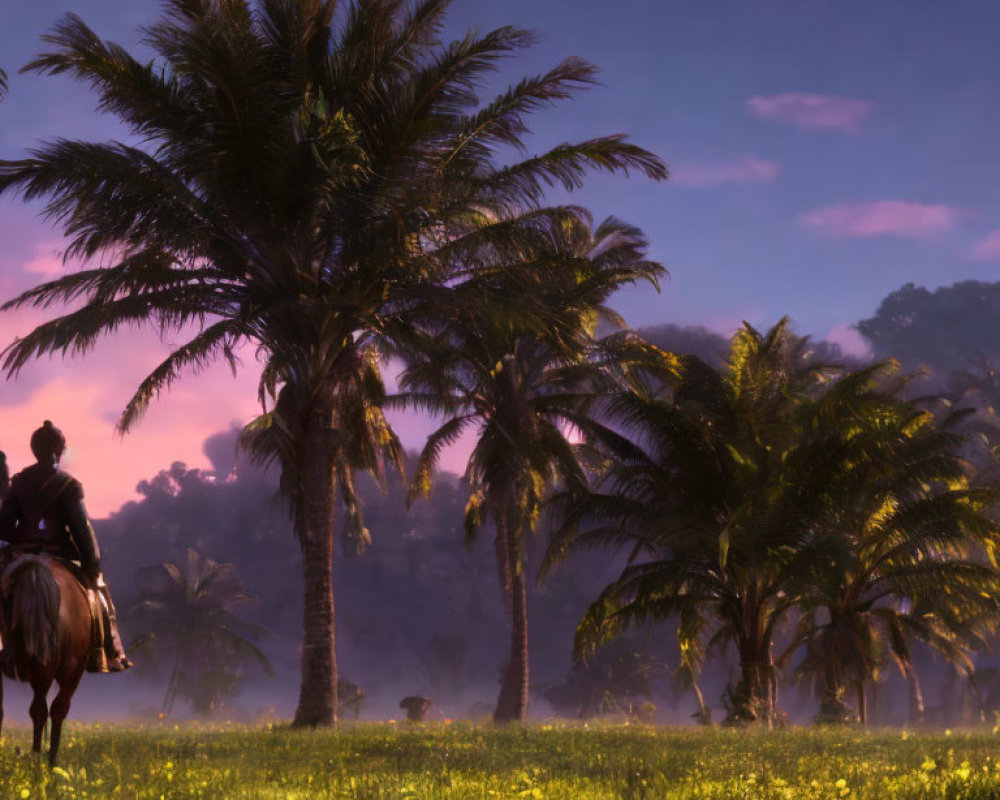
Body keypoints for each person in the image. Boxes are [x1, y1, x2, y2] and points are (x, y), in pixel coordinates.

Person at [0, 421, 131, 672]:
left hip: (20, 552)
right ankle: (105, 651)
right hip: (59, 553)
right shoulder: (69, 485)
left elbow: (5, 525)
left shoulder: (19, 482)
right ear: (58, 450)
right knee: (100, 596)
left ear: (35, 450)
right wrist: (93, 565)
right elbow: (82, 528)